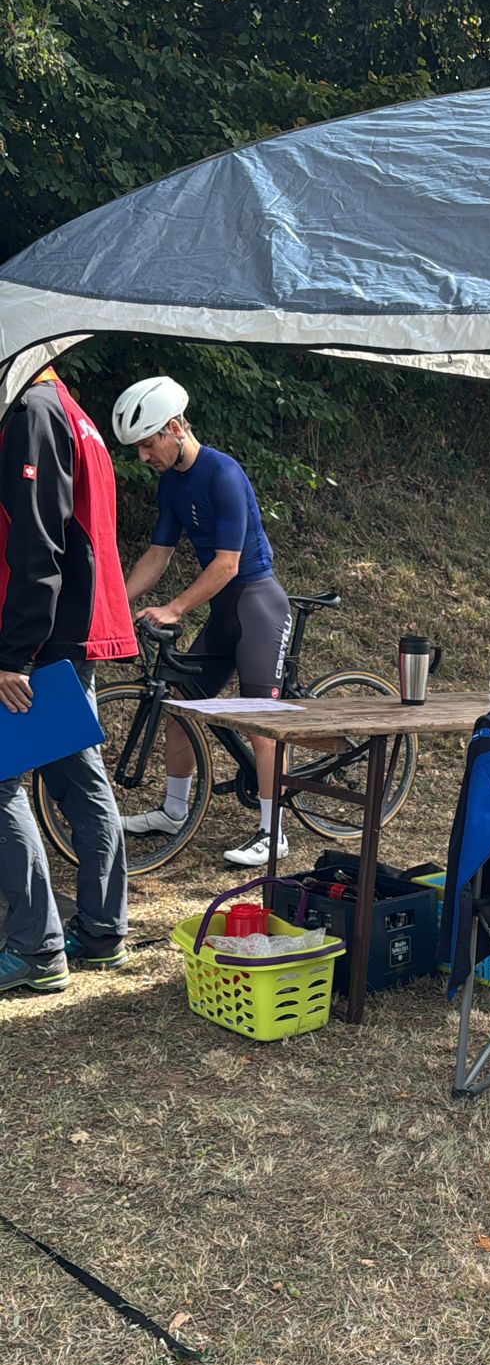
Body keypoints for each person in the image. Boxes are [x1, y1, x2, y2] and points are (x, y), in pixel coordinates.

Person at [113, 377, 293, 867]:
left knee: (261, 721)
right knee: (180, 707)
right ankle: (174, 812)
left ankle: (273, 832)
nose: (142, 457)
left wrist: (174, 609)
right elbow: (158, 554)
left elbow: (227, 565)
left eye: (147, 444)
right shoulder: (172, 484)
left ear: (174, 429)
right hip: (224, 613)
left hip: (258, 605)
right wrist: (115, 602)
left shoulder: (222, 473)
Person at [0, 368, 135, 994]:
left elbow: (39, 540)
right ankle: (102, 930)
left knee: (4, 785)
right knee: (80, 783)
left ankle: (37, 948)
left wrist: (15, 653)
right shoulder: (67, 408)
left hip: (44, 641)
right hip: (70, 632)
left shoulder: (32, 411)